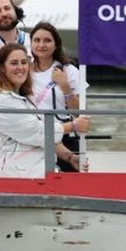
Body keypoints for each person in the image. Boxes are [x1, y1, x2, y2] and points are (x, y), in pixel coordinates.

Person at [0, 44, 90, 178]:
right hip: (21, 176)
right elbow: (39, 132)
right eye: (14, 63)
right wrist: (73, 126)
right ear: (1, 68)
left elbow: (41, 137)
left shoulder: (21, 98)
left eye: (24, 62)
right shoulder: (1, 102)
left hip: (38, 171)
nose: (20, 67)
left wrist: (70, 158)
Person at [30, 22, 84, 172]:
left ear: (56, 44)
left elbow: (79, 111)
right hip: (32, 136)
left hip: (64, 135)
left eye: (47, 40)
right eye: (37, 40)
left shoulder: (69, 71)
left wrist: (65, 87)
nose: (41, 45)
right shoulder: (23, 71)